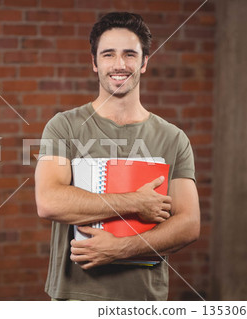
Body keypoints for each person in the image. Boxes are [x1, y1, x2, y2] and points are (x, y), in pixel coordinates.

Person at [34, 12, 200, 301]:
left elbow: (189, 224)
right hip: (74, 299)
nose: (119, 65)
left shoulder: (173, 138)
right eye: (109, 55)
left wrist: (121, 248)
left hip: (145, 300)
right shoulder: (65, 127)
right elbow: (48, 201)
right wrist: (137, 202)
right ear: (94, 62)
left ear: (144, 62)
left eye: (130, 55)